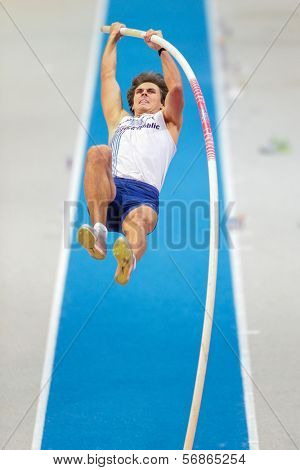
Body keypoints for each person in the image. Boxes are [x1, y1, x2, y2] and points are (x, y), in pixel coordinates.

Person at [77, 22, 184, 285]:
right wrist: (112, 40)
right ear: (132, 101)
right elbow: (107, 77)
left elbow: (178, 90)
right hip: (110, 189)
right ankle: (99, 234)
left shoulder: (168, 122)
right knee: (97, 152)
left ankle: (128, 262)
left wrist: (162, 50)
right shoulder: (119, 119)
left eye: (151, 91)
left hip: (144, 195)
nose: (144, 94)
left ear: (162, 101)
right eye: (139, 92)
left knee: (138, 223)